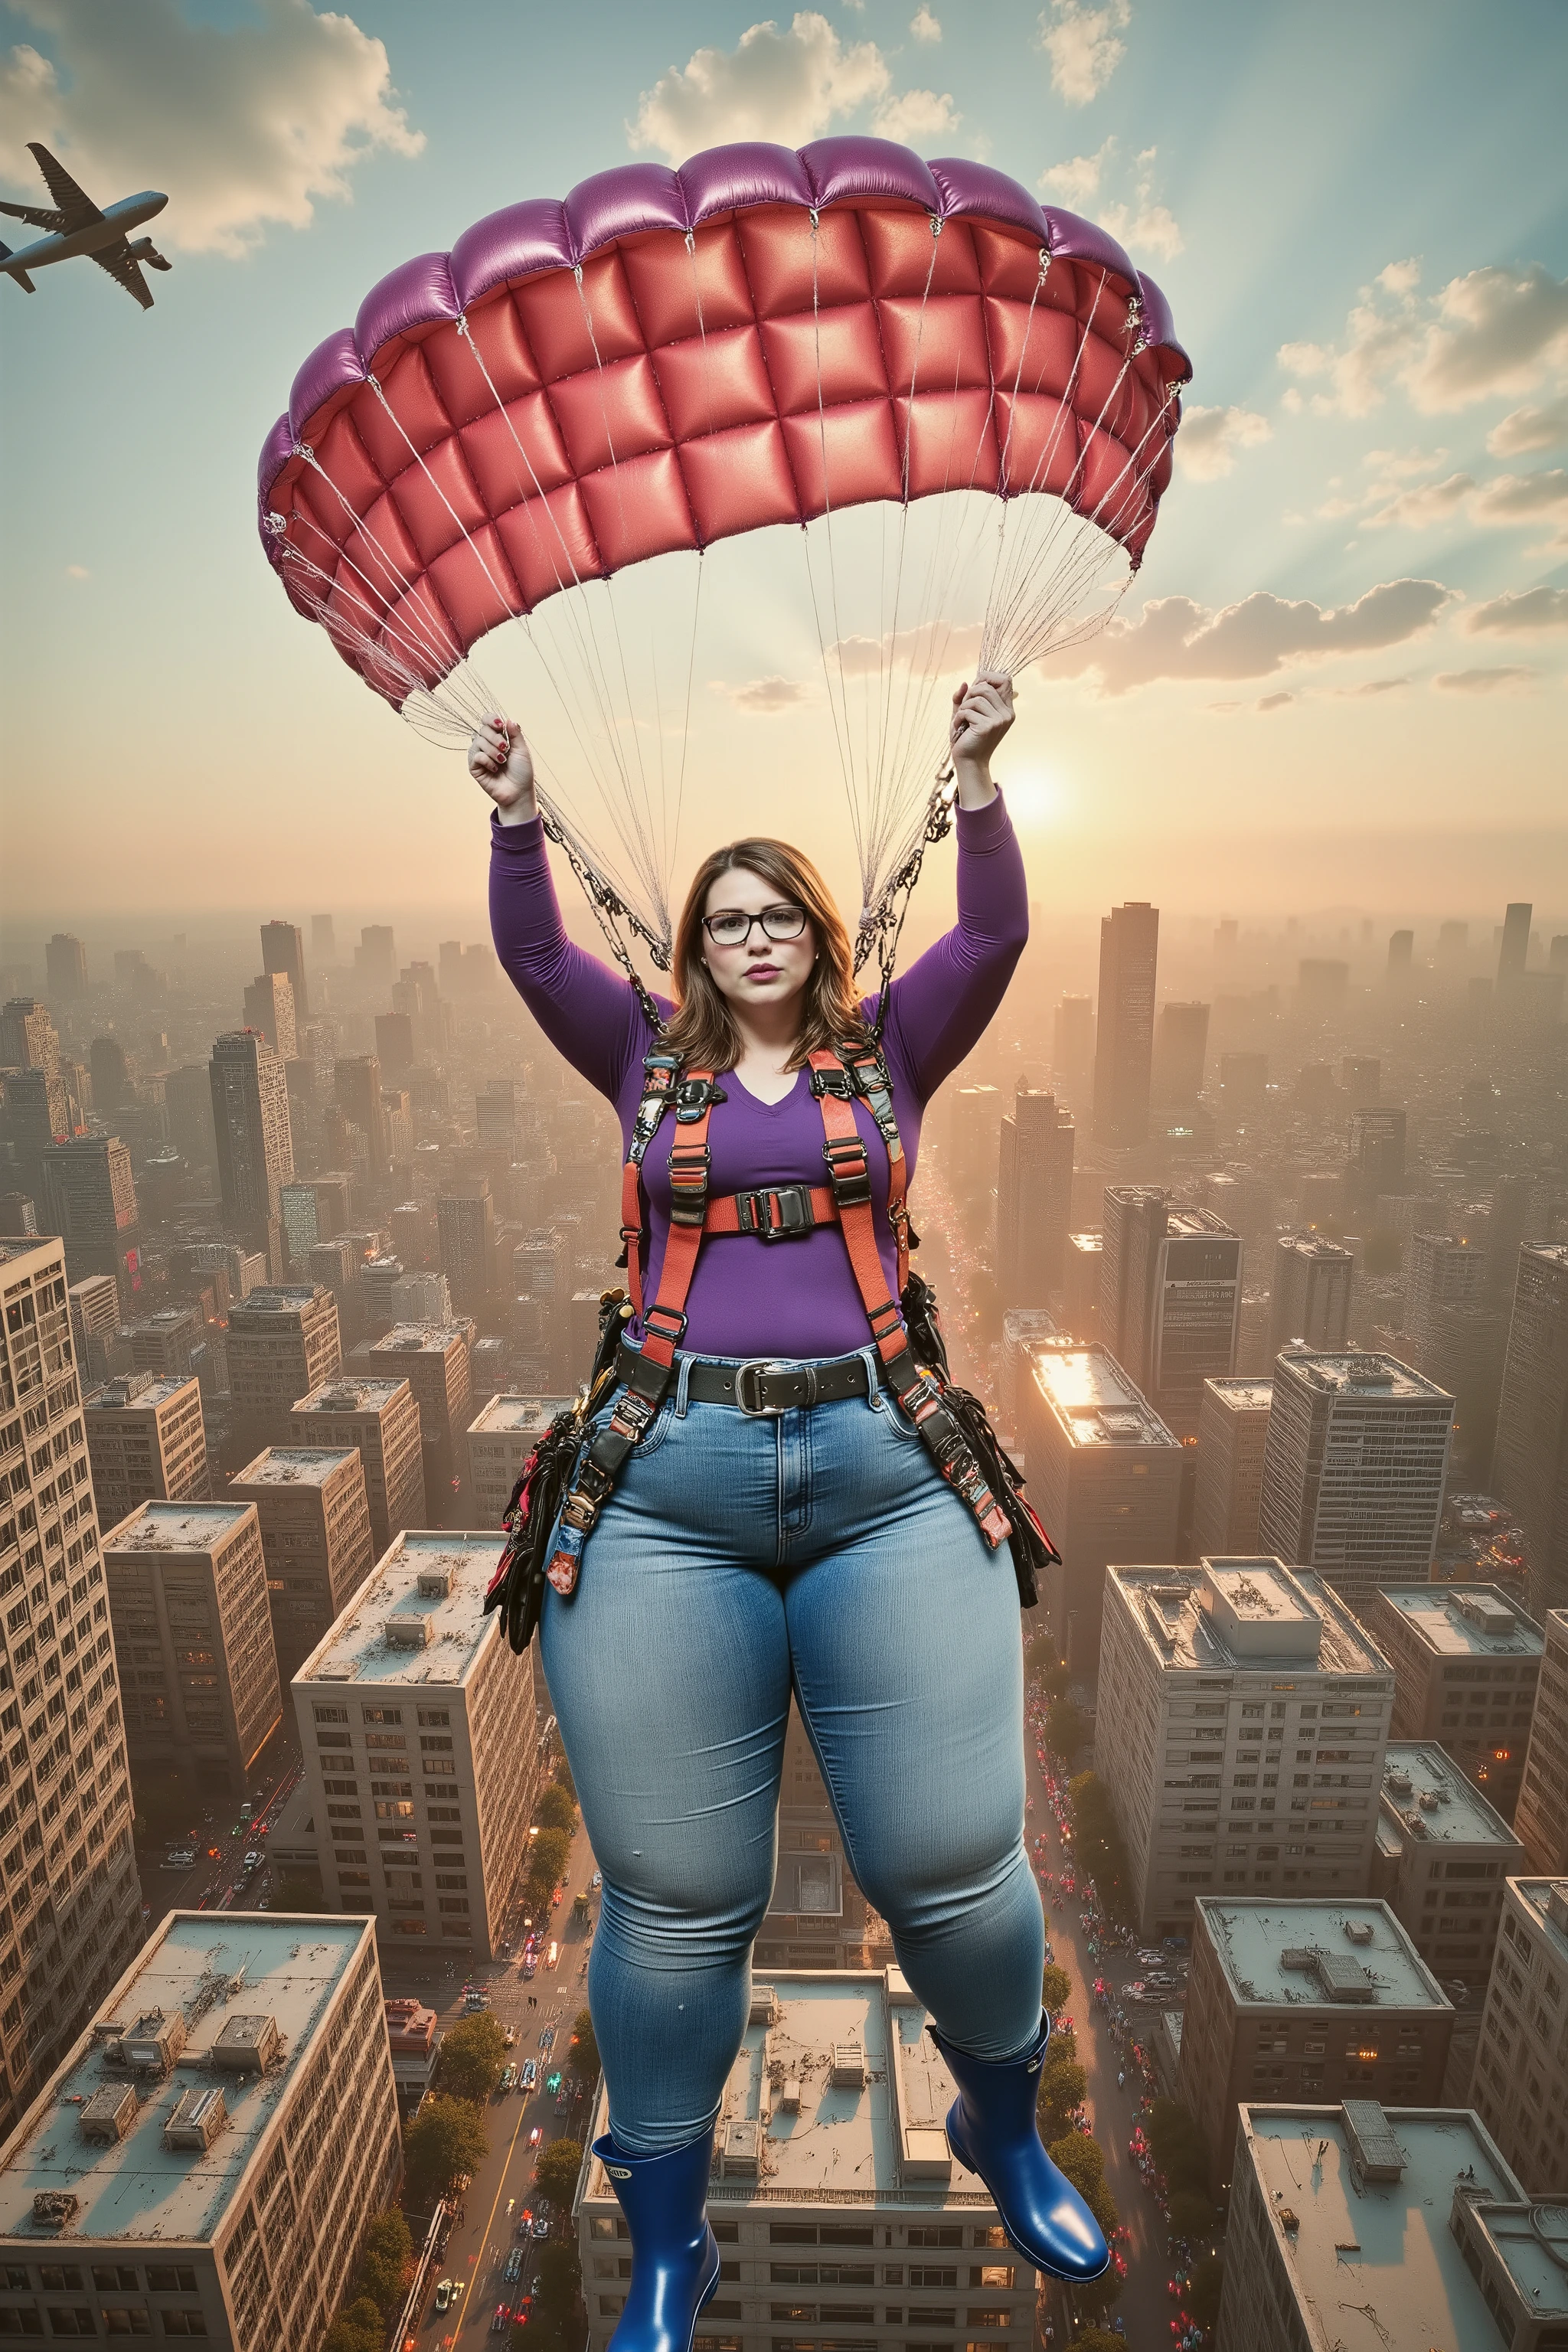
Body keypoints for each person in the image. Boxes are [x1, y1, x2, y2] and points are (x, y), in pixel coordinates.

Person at [472, 674, 1109, 2352]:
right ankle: (668, 2245)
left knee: (952, 1863)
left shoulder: (889, 1049)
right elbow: (540, 961)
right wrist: (520, 814)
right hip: (667, 1485)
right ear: (695, 948)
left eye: (775, 917)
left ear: (819, 935)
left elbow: (993, 941)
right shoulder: (639, 1057)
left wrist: (974, 782)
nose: (751, 939)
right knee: (673, 1890)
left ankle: (1002, 2125)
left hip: (888, 1473)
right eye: (723, 920)